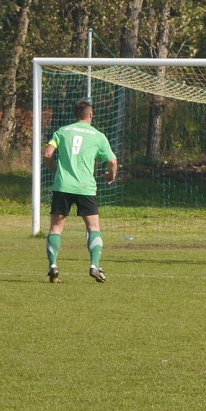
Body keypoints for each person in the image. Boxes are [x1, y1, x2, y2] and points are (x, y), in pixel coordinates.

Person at [43, 98, 117, 283]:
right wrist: (110, 175)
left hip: (62, 186)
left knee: (56, 228)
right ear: (91, 114)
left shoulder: (62, 131)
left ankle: (53, 266)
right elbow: (113, 161)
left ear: (74, 115)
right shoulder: (98, 135)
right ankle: (94, 265)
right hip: (85, 188)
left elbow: (47, 153)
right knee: (93, 227)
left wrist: (54, 169)